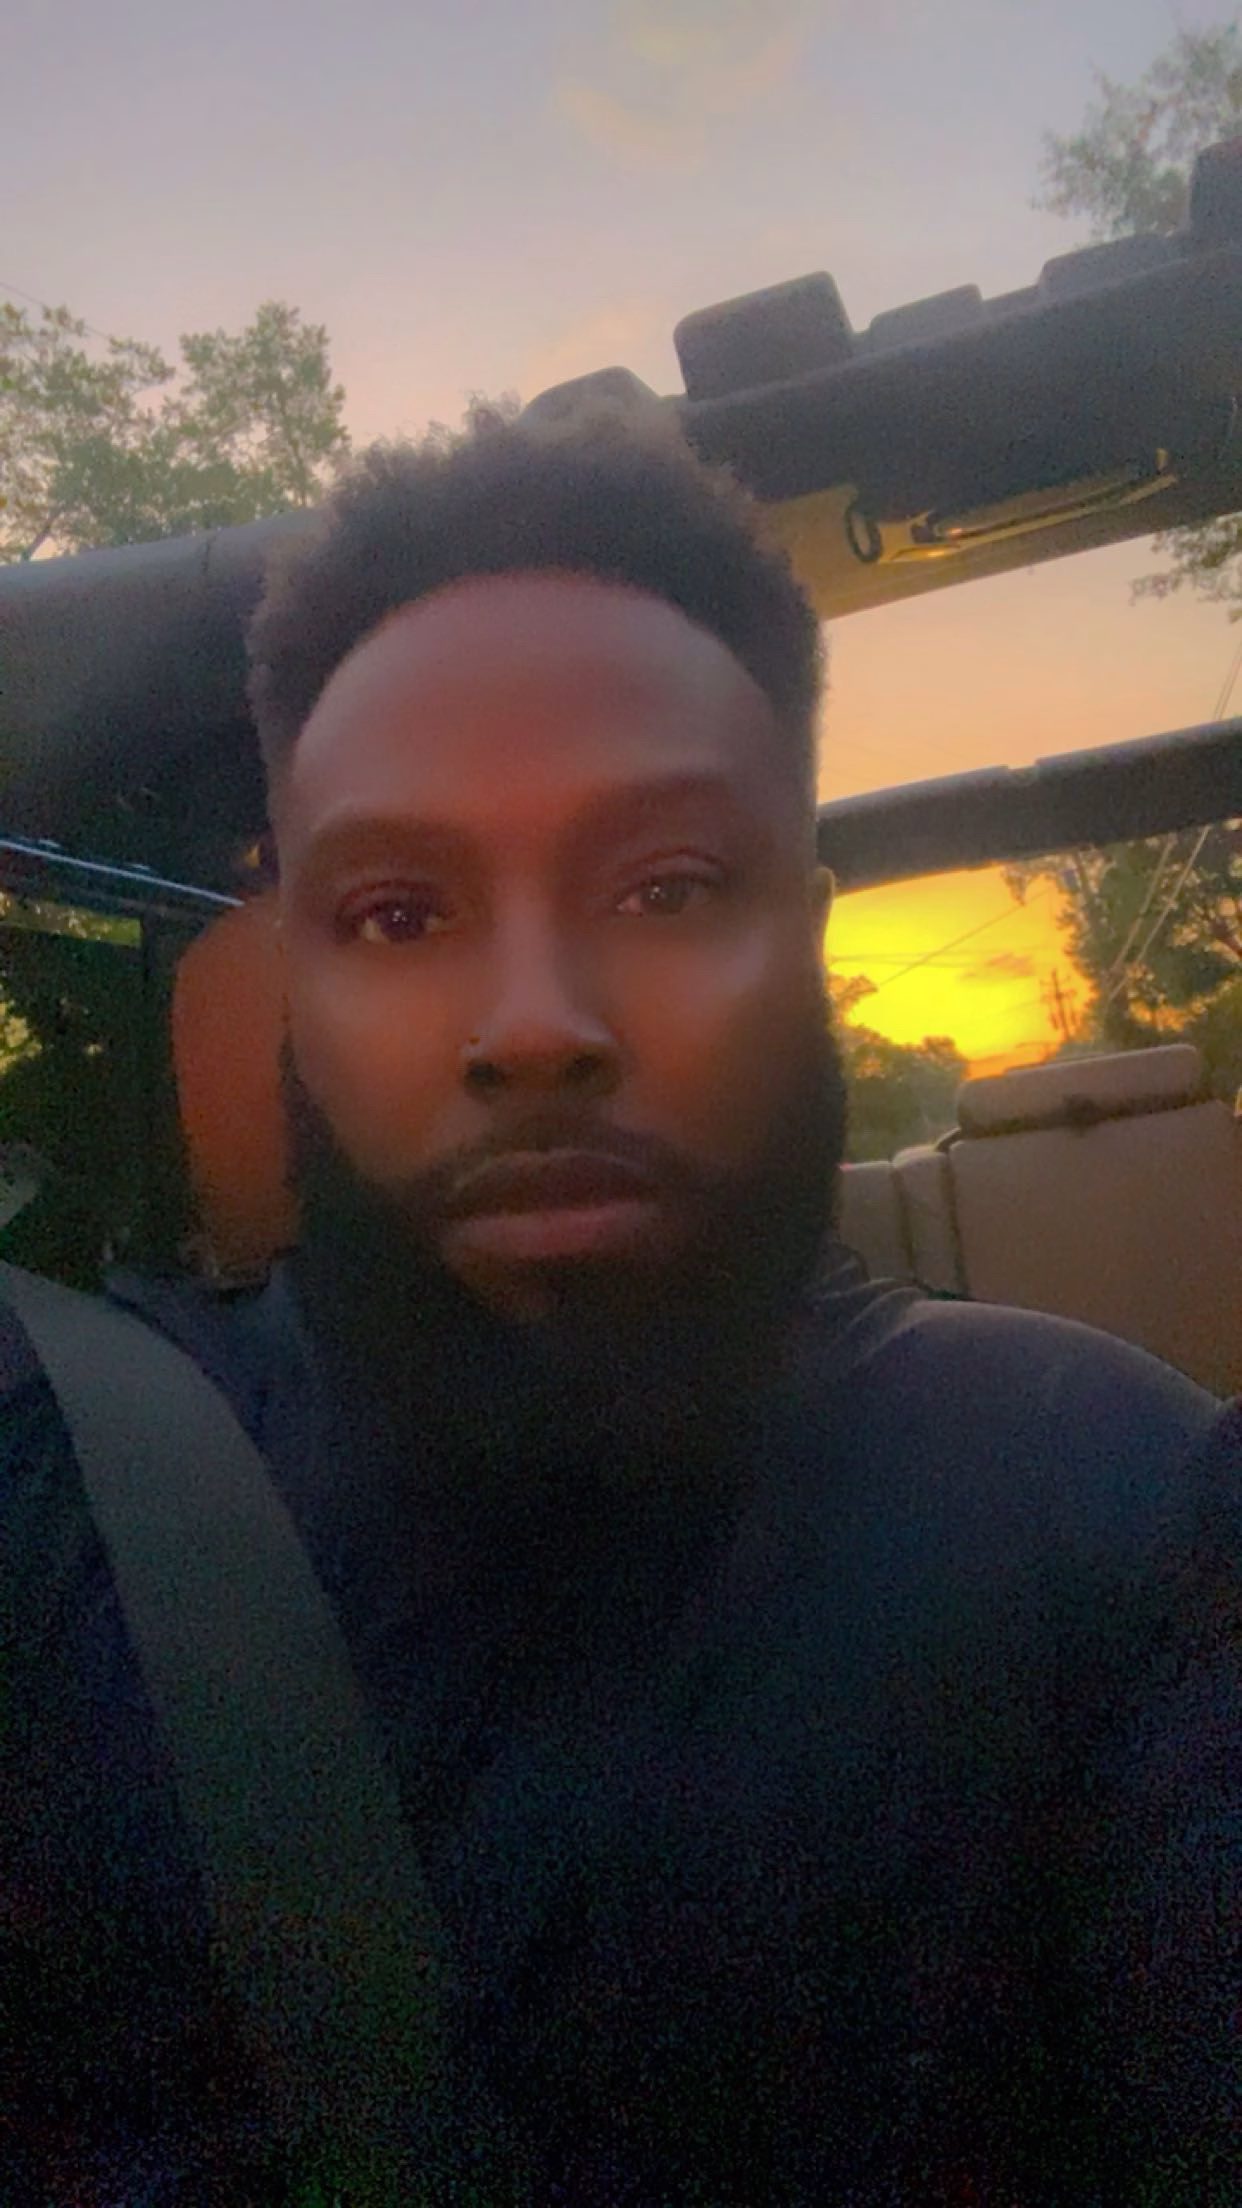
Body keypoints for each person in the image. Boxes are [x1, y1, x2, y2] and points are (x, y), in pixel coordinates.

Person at [0, 405, 1236, 2206]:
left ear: (805, 936)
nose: (533, 1026)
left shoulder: (1120, 1511)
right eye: (399, 913)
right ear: (290, 988)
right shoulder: (50, 1485)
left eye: (666, 886)